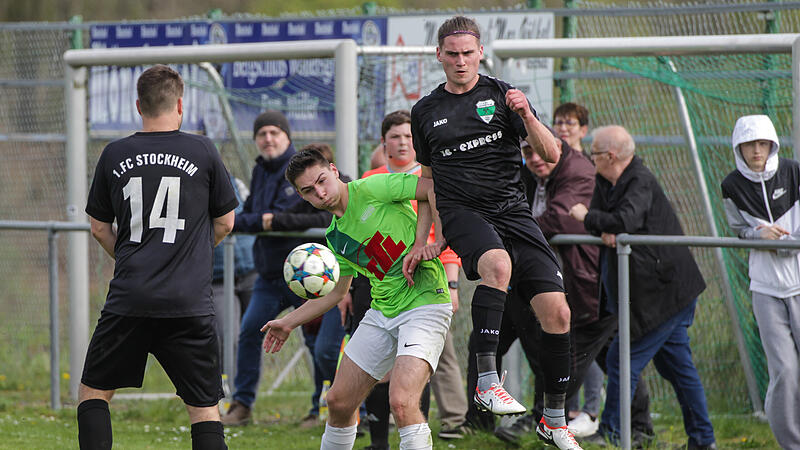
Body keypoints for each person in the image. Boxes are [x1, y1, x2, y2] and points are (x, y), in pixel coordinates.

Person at [409, 15, 580, 450]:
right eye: (452, 54)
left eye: (468, 53)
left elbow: (552, 153)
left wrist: (527, 115)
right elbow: (427, 180)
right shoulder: (426, 111)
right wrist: (423, 238)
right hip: (463, 210)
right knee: (497, 265)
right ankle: (487, 381)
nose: (461, 61)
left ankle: (555, 420)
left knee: (558, 313)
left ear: (480, 52)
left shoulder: (503, 95)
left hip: (513, 211)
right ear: (439, 56)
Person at [79, 64, 237, 450]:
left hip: (130, 297)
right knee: (204, 407)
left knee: (94, 393)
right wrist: (191, 254)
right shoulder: (203, 150)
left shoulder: (114, 153)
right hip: (188, 301)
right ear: (180, 104)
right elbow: (226, 222)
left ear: (138, 105)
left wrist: (134, 257)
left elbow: (98, 227)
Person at [264, 148, 453, 450]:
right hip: (382, 312)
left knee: (402, 402)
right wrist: (287, 322)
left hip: (425, 302)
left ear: (335, 171)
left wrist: (429, 240)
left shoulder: (373, 187)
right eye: (309, 191)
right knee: (338, 402)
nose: (320, 193)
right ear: (302, 197)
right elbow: (337, 293)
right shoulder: (335, 236)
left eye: (322, 181)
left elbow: (430, 187)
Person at [493, 137, 654, 446]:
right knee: (611, 357)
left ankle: (548, 420)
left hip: (589, 284)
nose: (536, 159)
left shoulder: (577, 171)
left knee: (569, 356)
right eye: (527, 153)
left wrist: (512, 230)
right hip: (571, 284)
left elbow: (559, 218)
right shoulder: (536, 179)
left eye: (539, 152)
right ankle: (637, 425)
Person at [569, 125, 717, 449]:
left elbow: (622, 221)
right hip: (654, 294)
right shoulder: (606, 181)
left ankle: (611, 432)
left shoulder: (639, 180)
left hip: (665, 294)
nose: (590, 159)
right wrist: (604, 225)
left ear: (610, 156)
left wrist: (588, 219)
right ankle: (704, 441)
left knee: (622, 361)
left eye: (593, 153)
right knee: (678, 370)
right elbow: (612, 221)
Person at [221, 113, 344, 427]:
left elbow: (319, 217)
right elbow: (245, 219)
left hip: (308, 276)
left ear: (287, 137)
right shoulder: (260, 169)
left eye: (275, 132)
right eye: (261, 133)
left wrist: (274, 220)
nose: (268, 139)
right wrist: (264, 220)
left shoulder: (303, 171)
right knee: (250, 332)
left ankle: (330, 407)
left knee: (319, 345)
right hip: (270, 276)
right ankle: (242, 404)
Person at [356, 110, 470, 446]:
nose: (403, 142)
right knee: (378, 362)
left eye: (409, 136)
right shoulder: (370, 177)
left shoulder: (432, 178)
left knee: (429, 359)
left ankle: (449, 421)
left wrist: (451, 284)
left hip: (427, 282)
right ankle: (378, 437)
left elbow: (444, 237)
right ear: (384, 142)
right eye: (396, 137)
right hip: (380, 284)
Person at [721, 114, 800, 450]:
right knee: (784, 370)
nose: (756, 151)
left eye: (762, 143)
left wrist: (790, 241)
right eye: (749, 144)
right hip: (766, 289)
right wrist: (759, 234)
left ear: (773, 144)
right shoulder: (731, 185)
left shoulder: (794, 172)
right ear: (739, 147)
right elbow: (738, 228)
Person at [211, 175, 257, 383]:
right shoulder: (188, 185)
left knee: (252, 337)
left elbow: (252, 215)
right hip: (218, 276)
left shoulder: (235, 183)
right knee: (227, 337)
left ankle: (245, 398)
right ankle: (226, 392)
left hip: (250, 270)